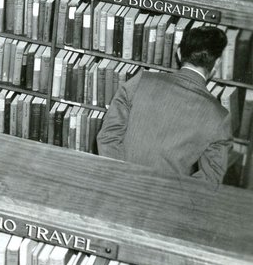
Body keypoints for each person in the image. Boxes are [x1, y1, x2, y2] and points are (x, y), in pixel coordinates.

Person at [97, 25, 232, 185]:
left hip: (117, 185)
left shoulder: (140, 80)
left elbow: (107, 137)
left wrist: (122, 180)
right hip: (166, 201)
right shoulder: (220, 117)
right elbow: (210, 180)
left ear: (179, 53)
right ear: (216, 64)